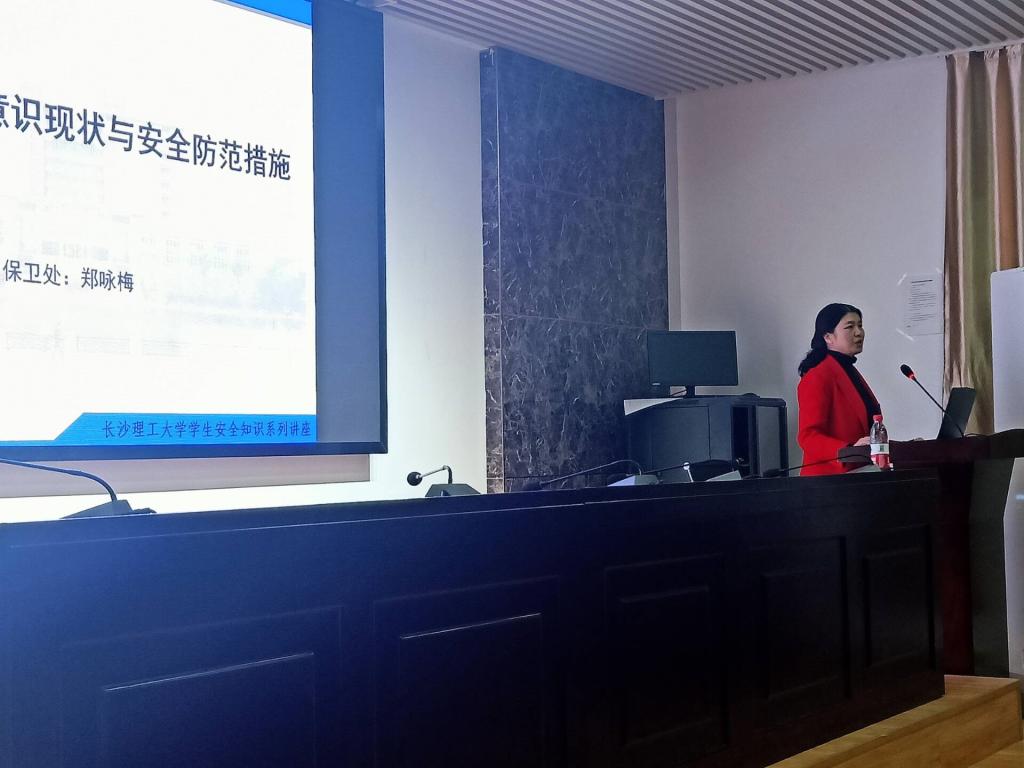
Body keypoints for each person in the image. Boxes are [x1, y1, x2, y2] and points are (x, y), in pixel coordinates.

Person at [796, 303, 881, 476]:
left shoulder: (847, 370)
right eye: (850, 327)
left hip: (860, 475)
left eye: (860, 325)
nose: (859, 332)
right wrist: (847, 451)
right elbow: (808, 436)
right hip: (827, 481)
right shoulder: (818, 376)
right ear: (828, 337)